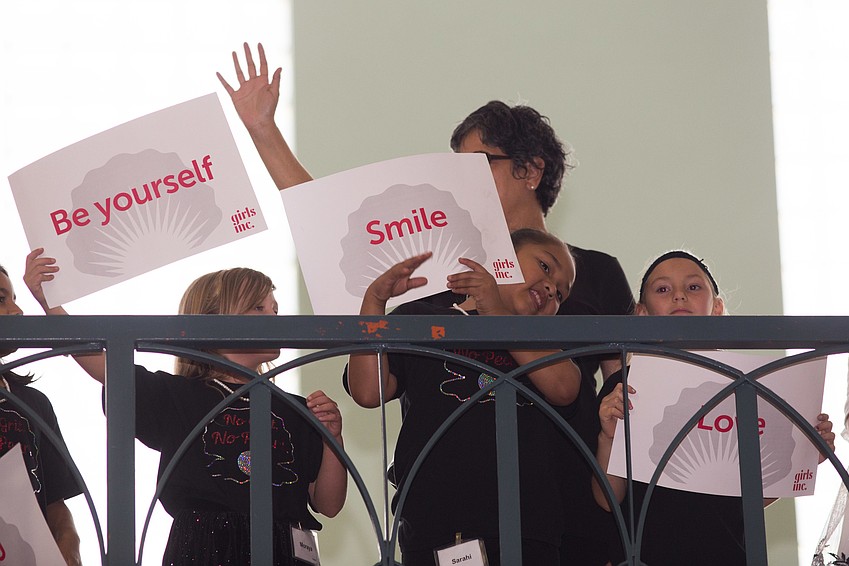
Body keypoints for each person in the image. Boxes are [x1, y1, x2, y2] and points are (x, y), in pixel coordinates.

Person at [218, 44, 633, 564]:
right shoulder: (439, 274)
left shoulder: (596, 273)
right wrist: (263, 130)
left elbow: (623, 394)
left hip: (567, 516)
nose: (550, 292)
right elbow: (333, 225)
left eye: (479, 165)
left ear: (530, 170)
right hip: (445, 517)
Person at [24, 249, 347, 566]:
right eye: (257, 307)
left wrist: (333, 438)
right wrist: (50, 302)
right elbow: (106, 363)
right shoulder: (177, 396)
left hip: (285, 547)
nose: (273, 318)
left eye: (275, 310)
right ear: (212, 322)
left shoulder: (295, 407)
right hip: (205, 544)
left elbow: (327, 502)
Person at [345, 228, 580, 565]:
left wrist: (496, 313)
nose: (550, 288)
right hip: (433, 527)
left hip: (526, 533)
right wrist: (374, 301)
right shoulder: (421, 318)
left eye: (560, 293)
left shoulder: (543, 346)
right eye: (545, 267)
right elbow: (368, 392)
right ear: (499, 255)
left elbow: (565, 388)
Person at [592, 250, 837, 565]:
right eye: (663, 289)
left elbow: (745, 499)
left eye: (693, 287)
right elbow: (607, 499)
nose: (679, 295)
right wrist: (608, 438)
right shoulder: (624, 388)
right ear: (642, 313)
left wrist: (805, 458)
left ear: (718, 307)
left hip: (728, 555)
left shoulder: (747, 387)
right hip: (644, 555)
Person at [0, 263, 82, 566]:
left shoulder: (33, 402)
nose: (17, 311)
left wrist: (69, 545)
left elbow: (54, 502)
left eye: (13, 297)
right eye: (1, 300)